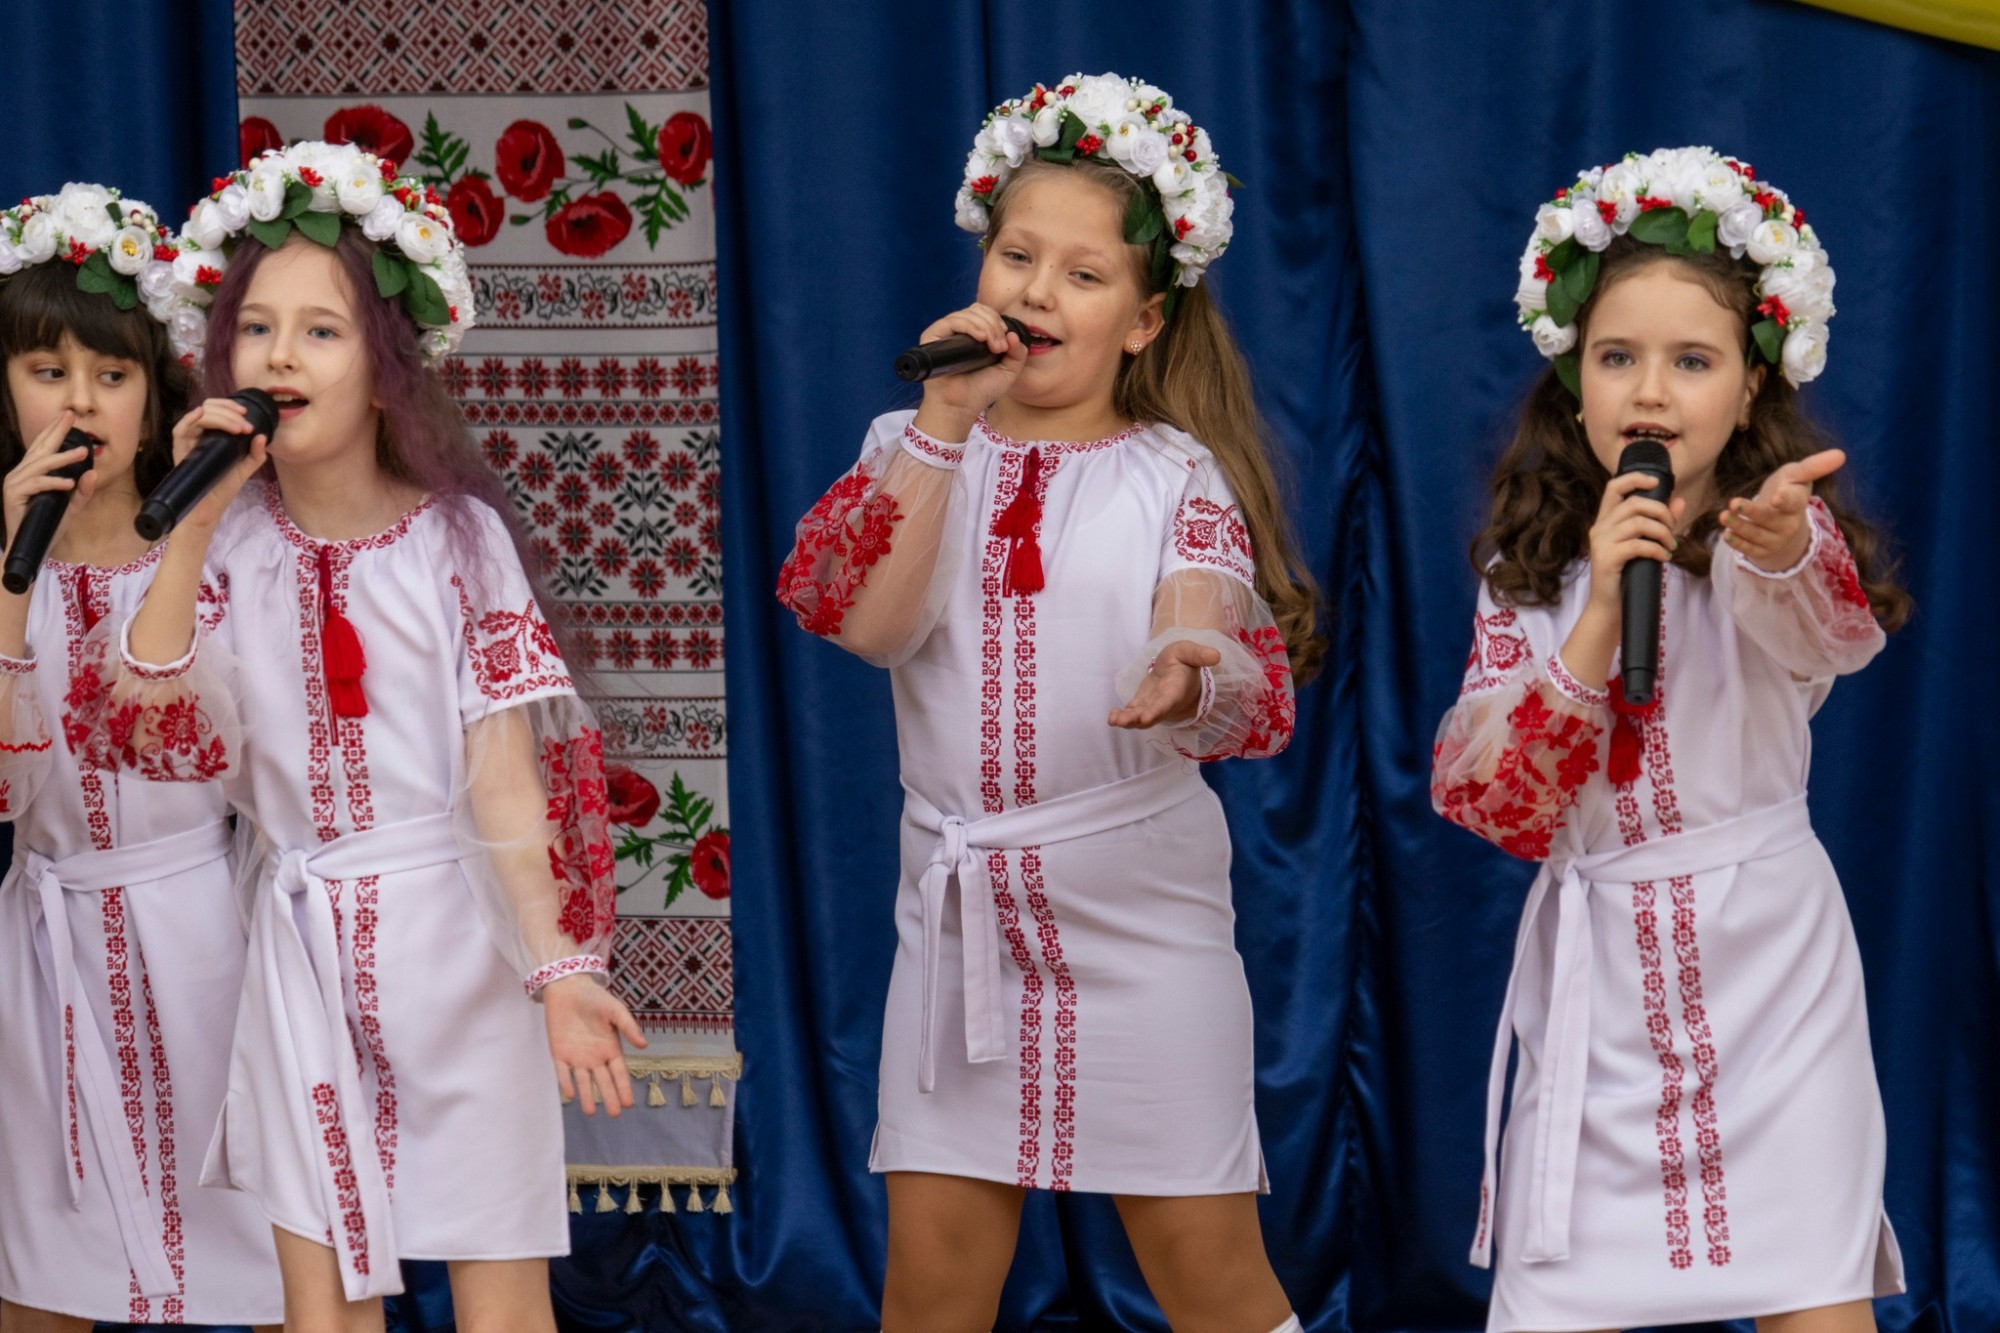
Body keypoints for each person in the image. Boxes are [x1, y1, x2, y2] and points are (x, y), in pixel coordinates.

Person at [779, 72, 1319, 1333]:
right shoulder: (904, 444)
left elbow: (1201, 593)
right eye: (1017, 255)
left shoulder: (1175, 470)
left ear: (1141, 320)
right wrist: (943, 422)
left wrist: (1186, 658)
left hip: (1140, 922)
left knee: (1208, 1274)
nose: (1035, 291)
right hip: (961, 919)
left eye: (1082, 274)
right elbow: (872, 625)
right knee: (932, 1290)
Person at [108, 142, 643, 1331]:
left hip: (459, 952)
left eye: (321, 333)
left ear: (386, 370)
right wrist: (190, 523)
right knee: (324, 1303)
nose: (280, 357)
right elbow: (150, 726)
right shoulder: (219, 546)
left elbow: (502, 778)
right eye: (255, 330)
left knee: (498, 1293)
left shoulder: (455, 541)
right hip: (297, 957)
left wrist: (555, 968)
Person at [1432, 146, 1910, 1333]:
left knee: (1811, 1294)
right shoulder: (1526, 578)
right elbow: (1502, 806)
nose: (1649, 391)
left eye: (1690, 361)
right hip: (1598, 1018)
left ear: (1748, 387)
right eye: (1616, 357)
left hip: (1771, 993)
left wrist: (1786, 546)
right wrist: (1598, 607)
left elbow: (1834, 638)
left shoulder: (1769, 546)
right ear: (1574, 384)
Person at [0, 183, 284, 1330]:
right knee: (43, 1279)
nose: (80, 402)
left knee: (270, 1264)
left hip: (205, 939)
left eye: (111, 375)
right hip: (47, 959)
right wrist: (10, 585)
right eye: (45, 370)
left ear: (153, 385)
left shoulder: (229, 547)